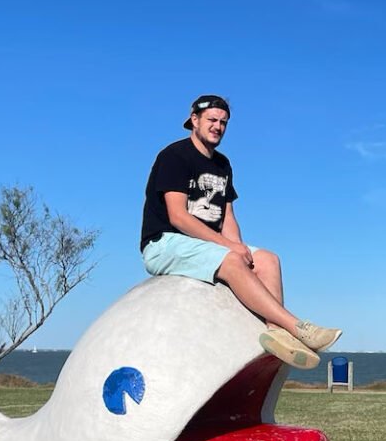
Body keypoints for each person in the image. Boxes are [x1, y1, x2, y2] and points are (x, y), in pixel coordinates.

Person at [140, 94, 342, 370]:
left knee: (268, 258)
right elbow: (178, 217)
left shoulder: (223, 164)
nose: (218, 127)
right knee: (232, 259)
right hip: (165, 243)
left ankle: (277, 333)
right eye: (212, 120)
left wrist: (239, 246)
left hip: (209, 245)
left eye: (223, 122)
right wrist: (229, 249)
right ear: (194, 120)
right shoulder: (174, 156)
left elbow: (228, 217)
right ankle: (297, 327)